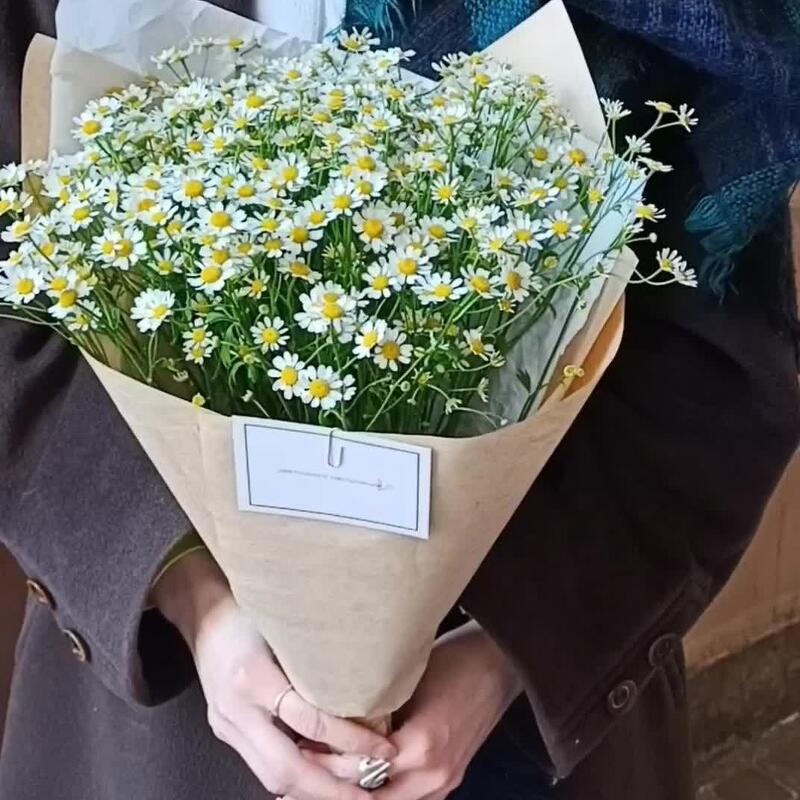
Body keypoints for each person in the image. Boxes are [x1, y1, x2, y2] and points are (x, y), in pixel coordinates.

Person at [0, 2, 798, 800]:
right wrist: (193, 596)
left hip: (539, 688)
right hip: (164, 714)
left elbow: (722, 349)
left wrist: (505, 653)